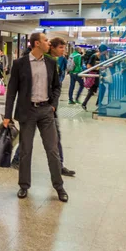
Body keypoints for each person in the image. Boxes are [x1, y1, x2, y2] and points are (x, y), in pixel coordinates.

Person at [3, 32, 67, 203]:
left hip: (46, 111)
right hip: (27, 112)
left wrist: (53, 105)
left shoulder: (51, 63)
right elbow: (11, 92)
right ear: (37, 43)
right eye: (46, 40)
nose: (48, 43)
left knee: (52, 151)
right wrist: (7, 115)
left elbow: (56, 87)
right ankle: (24, 185)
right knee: (25, 151)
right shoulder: (20, 64)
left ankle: (59, 186)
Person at [45, 37, 76, 177]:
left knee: (56, 136)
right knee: (29, 135)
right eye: (61, 48)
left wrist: (54, 104)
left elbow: (56, 85)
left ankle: (60, 165)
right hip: (39, 105)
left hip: (50, 106)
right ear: (52, 47)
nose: (64, 51)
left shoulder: (56, 61)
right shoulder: (43, 61)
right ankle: (17, 159)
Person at [82, 45, 107, 111]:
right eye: (105, 50)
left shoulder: (103, 57)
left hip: (99, 75)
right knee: (102, 88)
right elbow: (88, 66)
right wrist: (98, 68)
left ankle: (84, 103)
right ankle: (98, 103)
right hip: (94, 75)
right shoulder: (94, 56)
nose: (106, 52)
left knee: (92, 90)